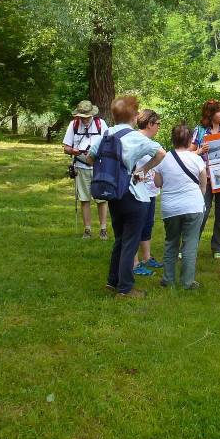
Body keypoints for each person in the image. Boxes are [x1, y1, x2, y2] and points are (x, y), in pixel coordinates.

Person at [89, 95, 166, 299]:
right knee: (130, 242)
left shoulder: (106, 133)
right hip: (133, 195)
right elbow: (161, 153)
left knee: (120, 239)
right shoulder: (136, 137)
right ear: (133, 116)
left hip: (113, 193)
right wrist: (142, 169)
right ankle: (126, 288)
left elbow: (90, 157)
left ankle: (111, 282)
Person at [154, 123, 208, 290]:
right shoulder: (196, 159)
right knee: (190, 244)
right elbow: (203, 185)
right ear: (190, 139)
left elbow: (157, 183)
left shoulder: (164, 159)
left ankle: (168, 279)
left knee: (171, 243)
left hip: (171, 208)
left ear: (173, 139)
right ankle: (187, 282)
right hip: (193, 206)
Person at [189, 99, 220, 260]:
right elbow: (188, 153)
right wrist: (200, 150)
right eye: (218, 111)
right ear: (210, 114)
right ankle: (190, 245)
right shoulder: (200, 131)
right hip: (206, 178)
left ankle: (218, 247)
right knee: (201, 211)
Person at [61, 100, 109, 240]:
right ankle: (87, 229)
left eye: (87, 117)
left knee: (101, 199)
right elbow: (66, 148)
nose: (85, 120)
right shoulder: (73, 124)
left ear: (92, 115)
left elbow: (109, 144)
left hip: (99, 166)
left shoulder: (101, 124)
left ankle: (103, 229)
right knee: (84, 198)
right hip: (81, 166)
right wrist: (74, 151)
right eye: (82, 117)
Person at [132, 109, 164, 277]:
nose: (159, 127)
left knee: (147, 224)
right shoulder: (136, 140)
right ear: (150, 124)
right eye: (158, 124)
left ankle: (146, 257)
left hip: (150, 192)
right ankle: (135, 263)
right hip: (137, 192)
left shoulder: (150, 142)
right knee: (135, 227)